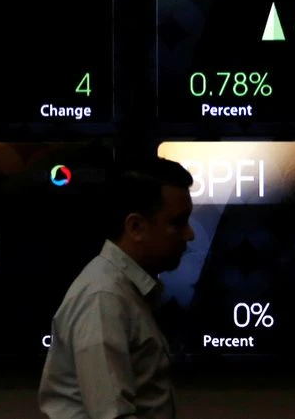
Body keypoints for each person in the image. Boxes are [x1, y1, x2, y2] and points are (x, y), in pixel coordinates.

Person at [39, 157, 196, 419]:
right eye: (178, 223)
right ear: (135, 227)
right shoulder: (103, 298)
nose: (190, 234)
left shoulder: (121, 291)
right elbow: (112, 415)